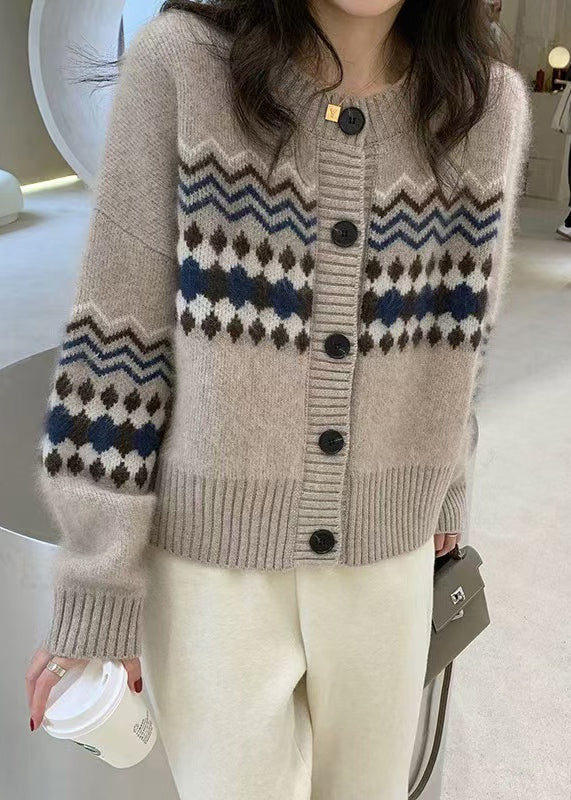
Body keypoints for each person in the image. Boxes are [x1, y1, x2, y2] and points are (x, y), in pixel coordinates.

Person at [25, 1, 531, 798]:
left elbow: (454, 334)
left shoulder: (481, 104)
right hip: (210, 574)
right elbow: (117, 346)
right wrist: (97, 585)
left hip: (387, 563)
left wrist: (444, 487)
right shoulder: (182, 65)